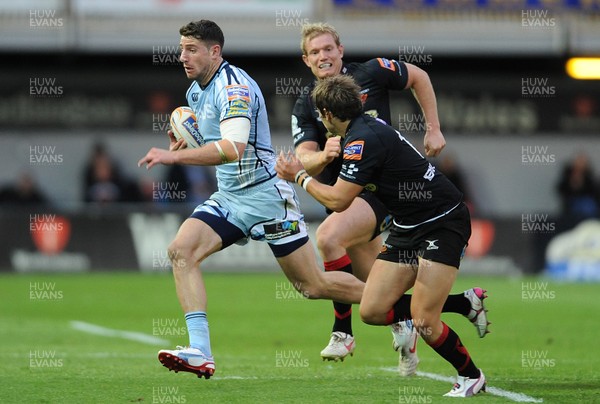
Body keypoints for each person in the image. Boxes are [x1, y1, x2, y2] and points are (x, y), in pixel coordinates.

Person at [137, 20, 369, 379]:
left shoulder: (235, 88)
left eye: (192, 49)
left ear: (215, 52)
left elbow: (233, 148)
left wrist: (172, 158)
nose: (183, 56)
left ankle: (406, 305)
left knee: (313, 286)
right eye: (182, 48)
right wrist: (188, 140)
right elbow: (215, 137)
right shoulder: (198, 90)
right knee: (181, 251)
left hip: (265, 195)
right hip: (230, 196)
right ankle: (200, 351)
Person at [291, 22, 487, 370]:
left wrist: (433, 127)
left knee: (328, 237)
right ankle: (457, 305)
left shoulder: (371, 71)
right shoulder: (307, 104)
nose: (323, 56)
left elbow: (419, 77)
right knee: (375, 294)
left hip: (373, 192)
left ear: (340, 50)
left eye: (328, 49)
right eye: (315, 52)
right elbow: (304, 153)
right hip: (355, 191)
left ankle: (342, 331)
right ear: (306, 60)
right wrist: (322, 157)